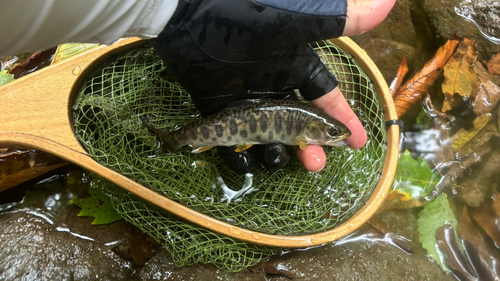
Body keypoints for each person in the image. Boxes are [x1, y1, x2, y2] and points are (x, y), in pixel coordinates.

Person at [0, 0, 396, 173]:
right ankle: (175, 140)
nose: (330, 135)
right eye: (327, 132)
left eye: (329, 133)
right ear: (310, 133)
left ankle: (177, 139)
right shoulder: (304, 129)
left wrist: (178, 9)